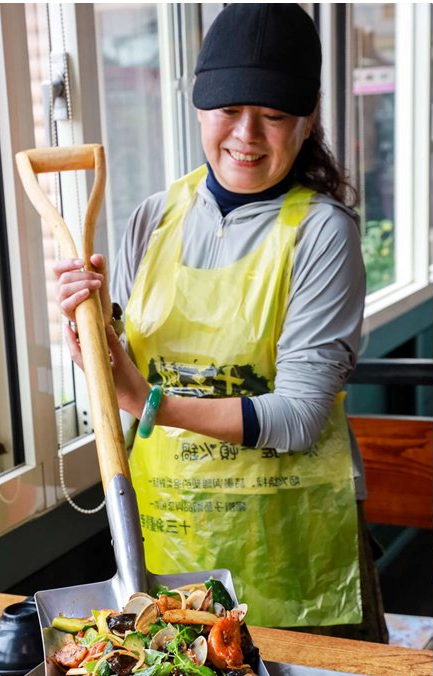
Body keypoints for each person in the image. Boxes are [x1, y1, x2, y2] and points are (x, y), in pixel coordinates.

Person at [55, 4, 387, 642]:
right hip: (173, 556)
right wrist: (89, 333)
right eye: (229, 110)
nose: (247, 135)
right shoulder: (153, 218)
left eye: (274, 115)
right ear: (199, 106)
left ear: (308, 116)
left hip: (295, 568)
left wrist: (147, 400)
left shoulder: (322, 233)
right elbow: (121, 371)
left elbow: (296, 419)